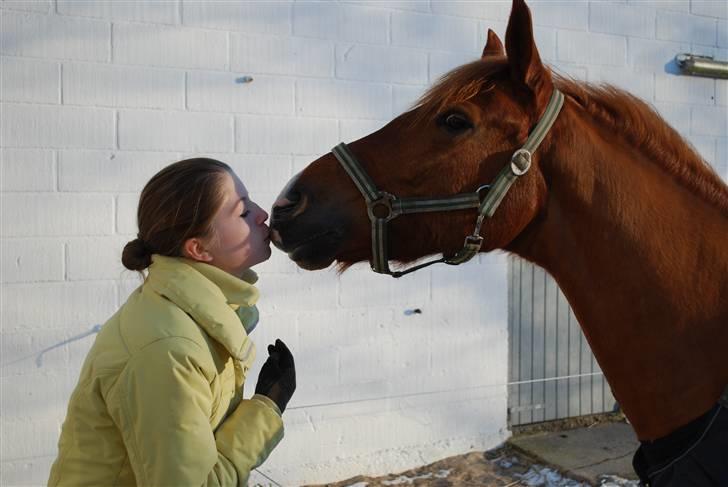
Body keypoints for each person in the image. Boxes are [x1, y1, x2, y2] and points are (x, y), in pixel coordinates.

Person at [48, 158, 296, 486]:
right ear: (199, 248)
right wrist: (264, 411)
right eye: (243, 211)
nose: (263, 214)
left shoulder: (194, 315)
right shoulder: (168, 349)